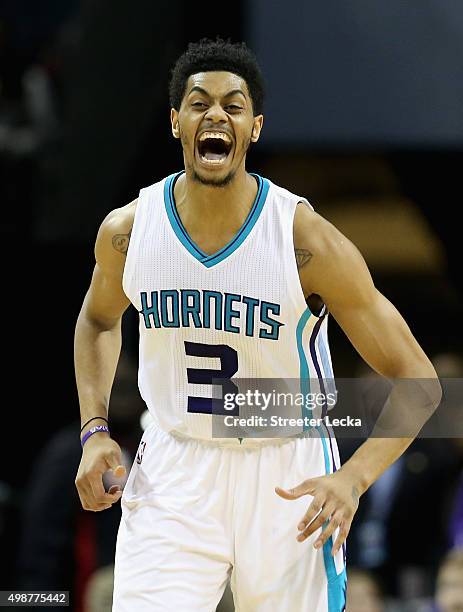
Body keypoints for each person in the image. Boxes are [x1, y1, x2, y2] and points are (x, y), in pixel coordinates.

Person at [74, 38, 441, 611]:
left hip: (287, 468)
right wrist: (94, 430)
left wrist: (354, 477)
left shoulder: (304, 240)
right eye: (198, 103)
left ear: (255, 127)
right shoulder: (128, 231)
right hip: (175, 463)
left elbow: (419, 380)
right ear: (176, 122)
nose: (215, 114)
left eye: (233, 104)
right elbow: (97, 320)